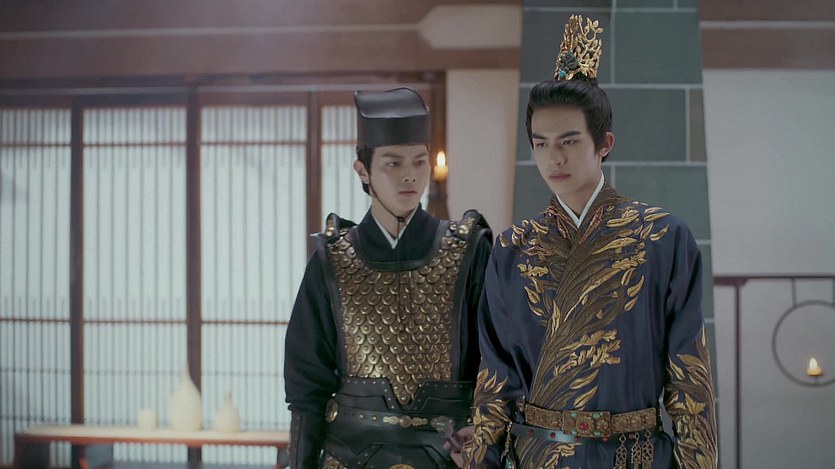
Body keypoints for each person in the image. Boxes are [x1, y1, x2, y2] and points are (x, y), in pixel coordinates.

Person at [463, 15, 717, 469]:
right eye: (540, 144)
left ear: (604, 143)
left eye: (569, 141)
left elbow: (689, 381)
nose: (553, 158)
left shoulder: (663, 239)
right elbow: (495, 378)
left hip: (634, 457)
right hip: (538, 457)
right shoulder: (512, 249)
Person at [285, 87, 493, 468]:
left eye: (419, 161)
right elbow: (306, 388)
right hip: (348, 457)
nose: (409, 176)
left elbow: (495, 371)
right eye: (393, 164)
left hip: (447, 458)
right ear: (362, 170)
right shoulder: (332, 259)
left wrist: (484, 447)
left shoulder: (469, 251)